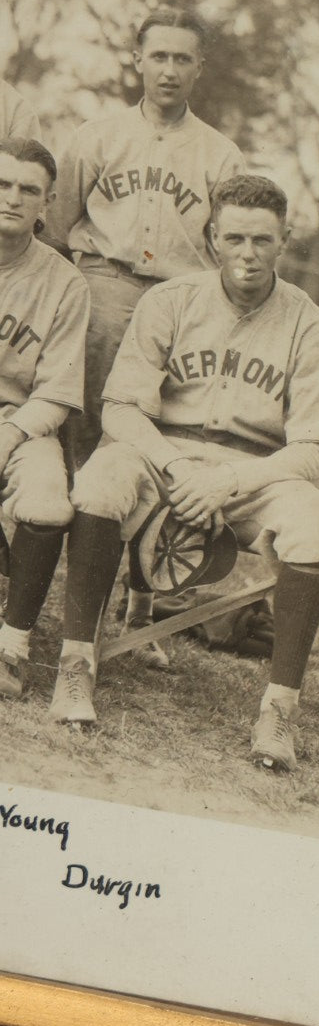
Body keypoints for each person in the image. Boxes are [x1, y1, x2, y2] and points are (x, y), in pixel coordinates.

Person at [50, 174, 319, 774]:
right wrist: (179, 465)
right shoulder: (172, 300)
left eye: (262, 240)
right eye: (234, 238)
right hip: (165, 452)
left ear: (284, 241)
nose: (247, 253)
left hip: (256, 471)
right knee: (100, 483)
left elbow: (315, 447)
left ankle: (279, 707)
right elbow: (122, 408)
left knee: (317, 522)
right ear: (212, 237)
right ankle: (76, 663)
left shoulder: (310, 325)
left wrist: (231, 483)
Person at [48, 7, 245, 467]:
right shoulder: (97, 138)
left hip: (180, 301)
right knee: (83, 418)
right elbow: (56, 232)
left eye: (182, 59)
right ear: (137, 59)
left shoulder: (221, 155)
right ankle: (74, 528)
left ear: (200, 67)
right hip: (102, 291)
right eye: (159, 57)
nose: (169, 71)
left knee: (159, 425)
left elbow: (230, 252)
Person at [0, 137, 89, 697]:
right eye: (2, 185)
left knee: (48, 502)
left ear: (47, 203)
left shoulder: (64, 282)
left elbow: (57, 394)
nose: (12, 198)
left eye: (27, 189)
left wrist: (7, 436)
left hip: (22, 419)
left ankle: (12, 643)